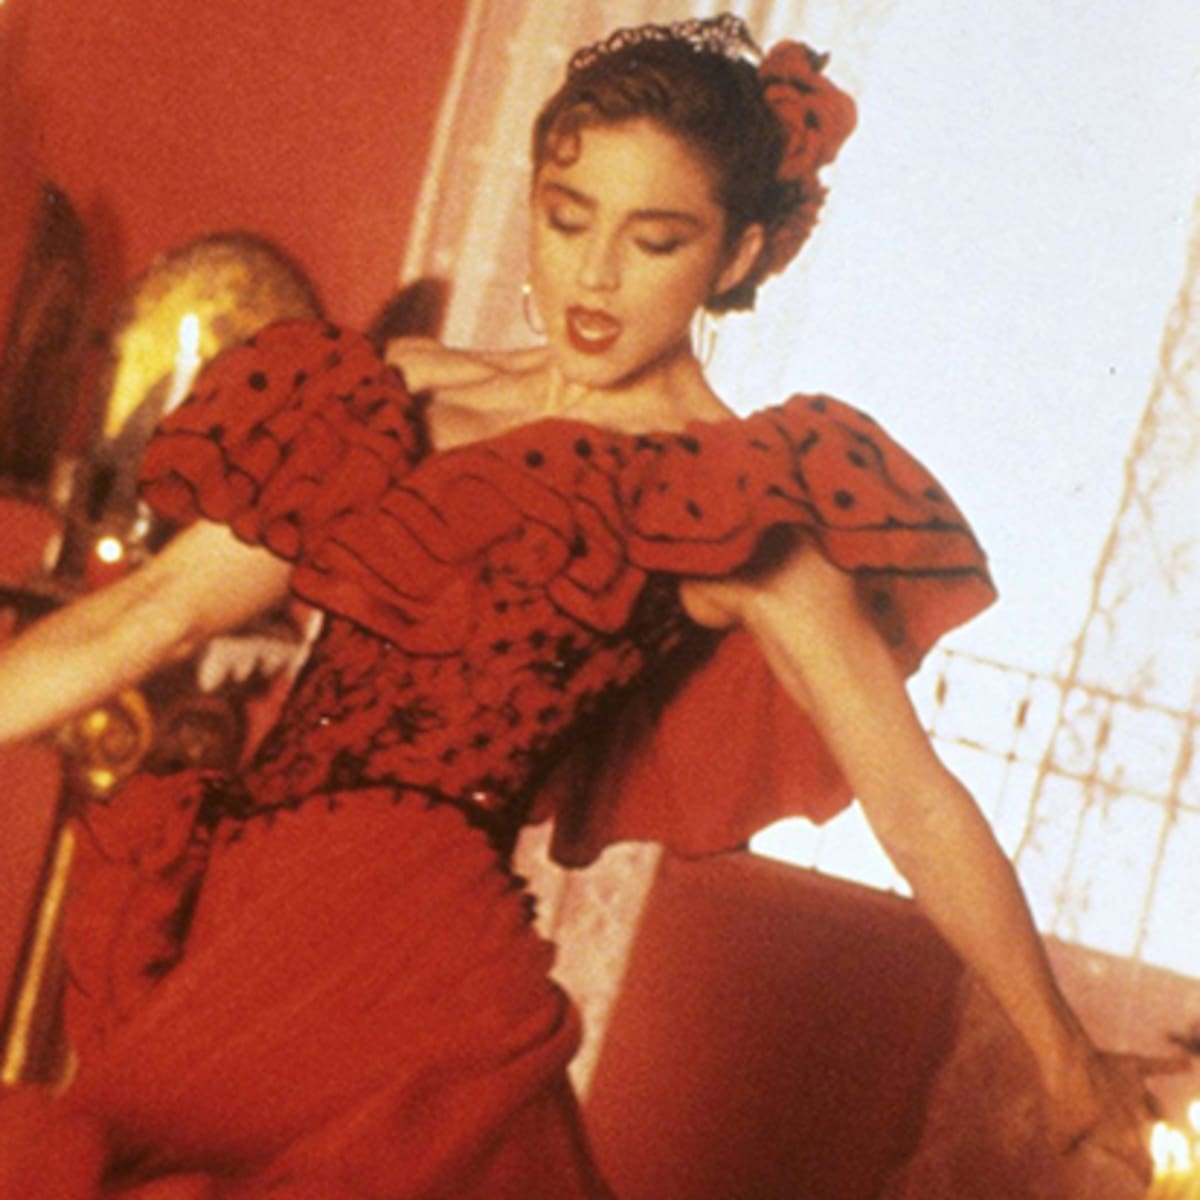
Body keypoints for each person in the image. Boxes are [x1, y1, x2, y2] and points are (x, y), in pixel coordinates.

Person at [0, 13, 1174, 1198]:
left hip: (407, 960)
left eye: (655, 240)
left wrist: (1065, 1060)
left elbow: (912, 800)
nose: (597, 274)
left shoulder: (726, 497)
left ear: (736, 256)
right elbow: (150, 616)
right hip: (236, 915)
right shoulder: (395, 395)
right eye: (569, 220)